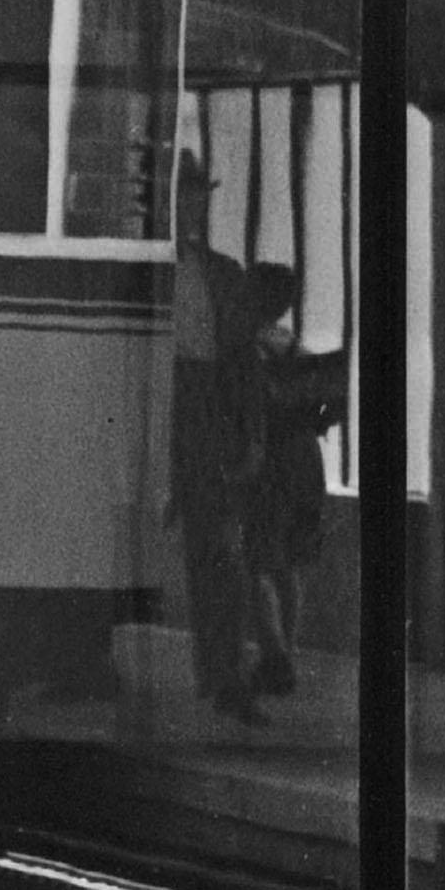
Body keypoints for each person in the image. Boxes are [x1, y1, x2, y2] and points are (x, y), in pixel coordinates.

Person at [164, 154, 263, 722]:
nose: (193, 205)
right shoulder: (141, 268)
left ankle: (226, 677)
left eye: (199, 194)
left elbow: (245, 364)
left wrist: (253, 435)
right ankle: (81, 663)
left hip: (208, 417)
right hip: (160, 408)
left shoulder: (224, 274)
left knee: (221, 551)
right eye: (184, 194)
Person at [243, 258, 324, 702]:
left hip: (269, 459)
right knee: (291, 562)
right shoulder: (298, 348)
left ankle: (273, 656)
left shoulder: (248, 350)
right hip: (306, 460)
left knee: (259, 561)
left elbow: (249, 409)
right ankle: (286, 651)